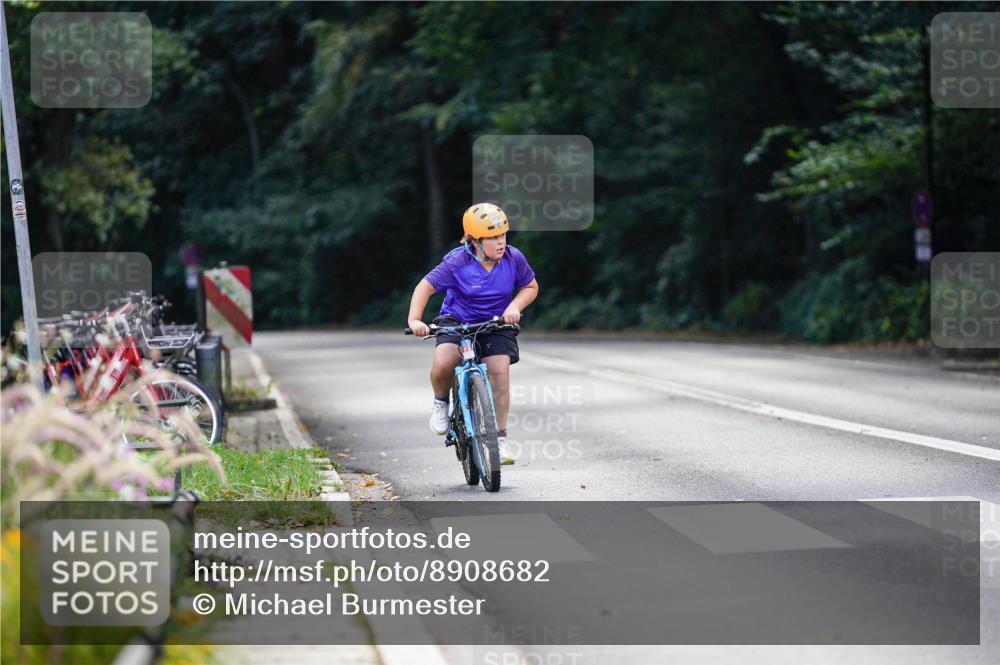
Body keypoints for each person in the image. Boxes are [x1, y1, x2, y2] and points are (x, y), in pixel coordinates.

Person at [407, 203, 539, 465]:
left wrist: (514, 306)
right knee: (444, 361)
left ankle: (499, 441)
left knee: (499, 372)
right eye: (493, 237)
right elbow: (425, 287)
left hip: (495, 321)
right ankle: (441, 403)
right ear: (475, 241)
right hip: (457, 319)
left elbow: (530, 286)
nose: (501, 242)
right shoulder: (457, 261)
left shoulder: (514, 258)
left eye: (503, 235)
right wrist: (414, 320)